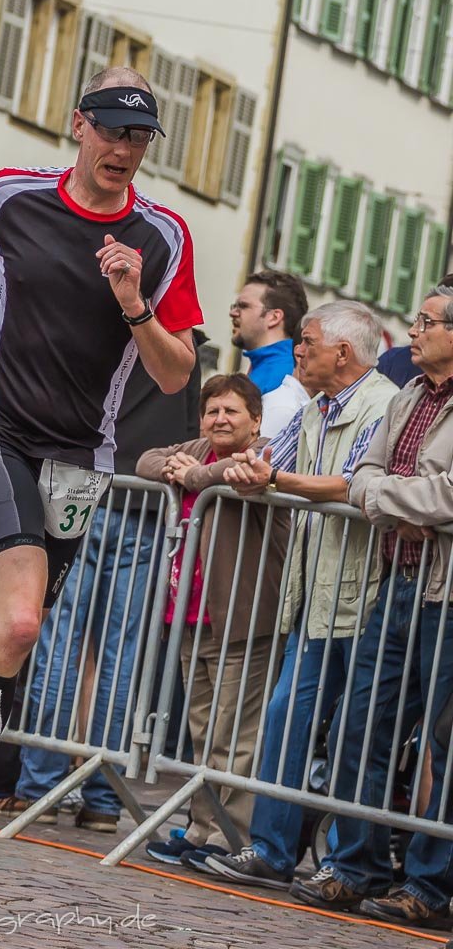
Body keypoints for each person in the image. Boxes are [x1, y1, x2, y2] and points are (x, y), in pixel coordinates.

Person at [0, 65, 202, 906]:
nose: (124, 149)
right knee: (18, 619)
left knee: (6, 645)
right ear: (78, 126)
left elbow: (175, 376)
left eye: (139, 137)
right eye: (112, 130)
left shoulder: (162, 237)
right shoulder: (12, 196)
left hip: (81, 458)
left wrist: (135, 302)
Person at [204, 301, 397, 888]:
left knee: (356, 733)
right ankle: (271, 849)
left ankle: (345, 865)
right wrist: (244, 471)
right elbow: (266, 462)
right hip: (313, 590)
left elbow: (356, 483)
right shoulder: (315, 407)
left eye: (307, 341)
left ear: (344, 351)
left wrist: (272, 479)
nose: (298, 350)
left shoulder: (385, 403)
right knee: (288, 715)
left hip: (364, 593)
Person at [291, 285, 453, 929]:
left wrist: (396, 499)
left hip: (447, 592)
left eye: (426, 322)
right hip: (397, 579)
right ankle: (355, 869)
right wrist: (400, 502)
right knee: (363, 722)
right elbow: (363, 474)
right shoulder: (410, 394)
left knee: (442, 743)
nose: (412, 331)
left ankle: (430, 884)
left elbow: (449, 494)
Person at [0, 348, 201, 832]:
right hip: (146, 503)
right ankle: (101, 796)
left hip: (83, 489)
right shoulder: (186, 345)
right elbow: (189, 436)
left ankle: (40, 786)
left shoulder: (102, 319)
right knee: (121, 656)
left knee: (61, 642)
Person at [137, 374, 290, 871]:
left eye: (232, 412)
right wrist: (179, 468)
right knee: (203, 730)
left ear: (256, 419)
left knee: (236, 734)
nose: (220, 420)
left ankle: (230, 837)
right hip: (190, 615)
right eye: (212, 411)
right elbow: (145, 459)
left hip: (243, 619)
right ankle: (201, 828)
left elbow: (239, 470)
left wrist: (196, 476)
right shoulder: (198, 447)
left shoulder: (266, 451)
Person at [230, 270, 307, 395]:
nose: (233, 313)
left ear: (274, 317)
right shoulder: (269, 367)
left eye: (243, 306)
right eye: (234, 306)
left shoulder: (282, 377)